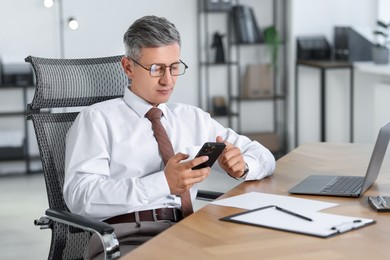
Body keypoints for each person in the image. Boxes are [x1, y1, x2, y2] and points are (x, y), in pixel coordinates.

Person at [63, 15, 275, 258]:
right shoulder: (97, 119)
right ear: (128, 67)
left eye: (174, 67)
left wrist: (243, 166)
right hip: (127, 236)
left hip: (190, 231)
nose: (168, 80)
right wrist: (162, 183)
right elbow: (80, 197)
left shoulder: (192, 118)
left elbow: (265, 157)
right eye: (156, 69)